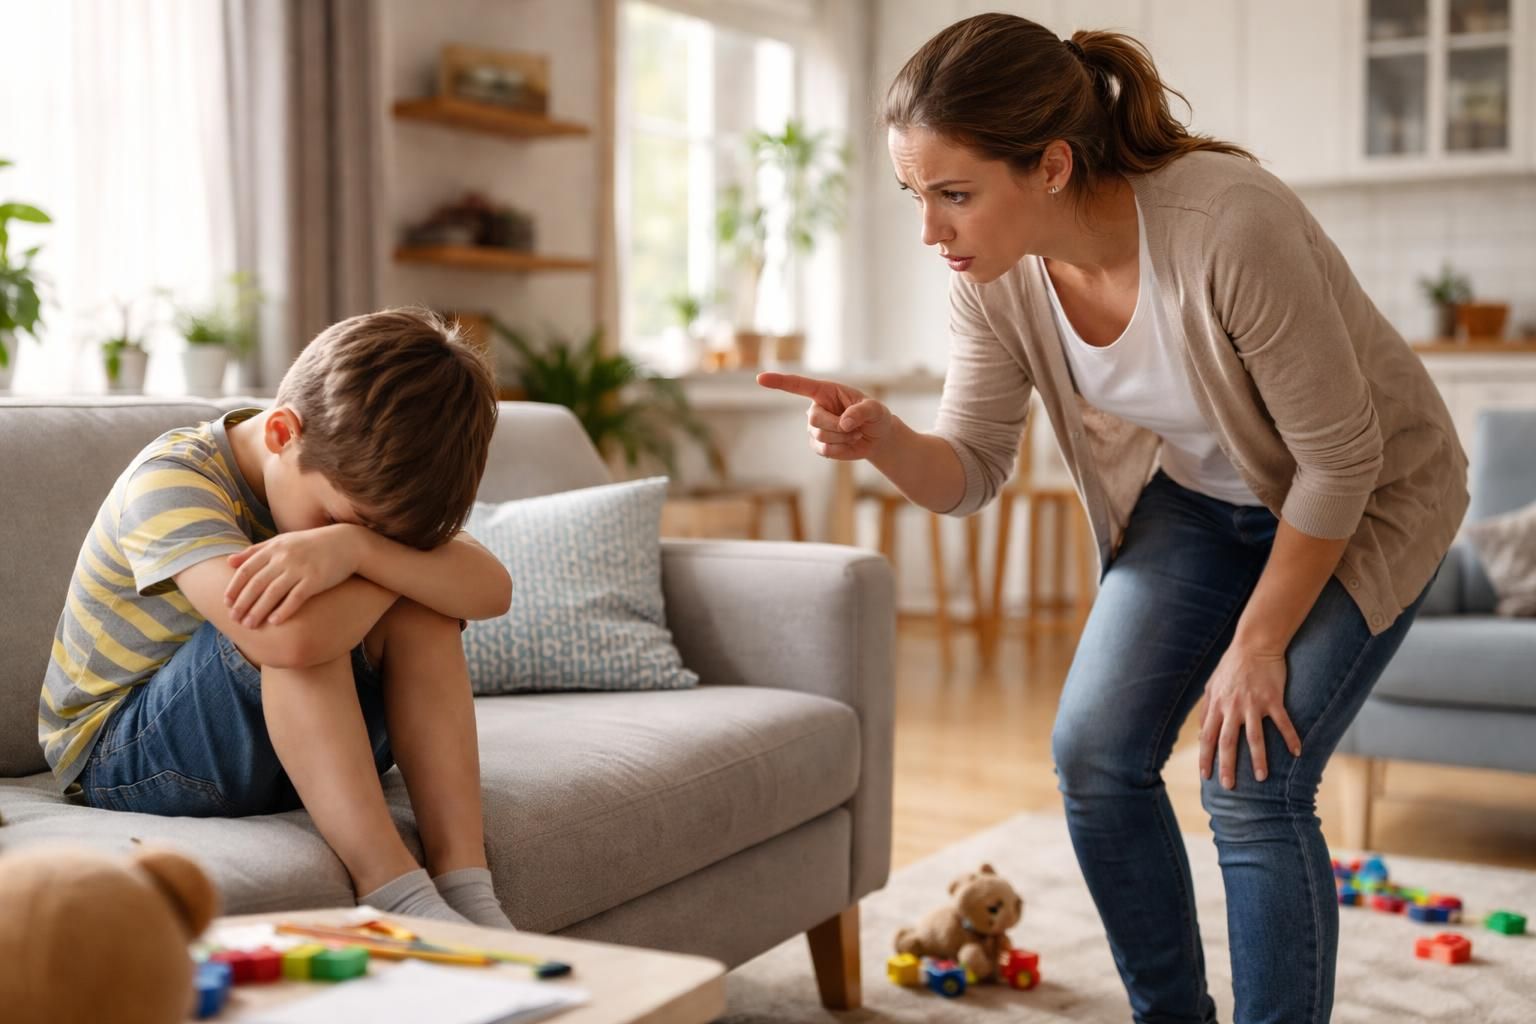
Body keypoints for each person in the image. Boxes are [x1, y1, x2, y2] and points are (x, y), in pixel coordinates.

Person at [760, 14, 1468, 1023]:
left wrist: (1258, 643)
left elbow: (1341, 458)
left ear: (1050, 165)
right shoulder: (994, 279)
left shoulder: (1228, 225)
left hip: (1367, 498)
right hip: (1204, 503)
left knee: (1249, 780)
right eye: (916, 195)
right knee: (1094, 754)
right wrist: (885, 440)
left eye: (954, 194)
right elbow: (969, 468)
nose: (931, 229)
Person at [40, 307, 517, 928]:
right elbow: (284, 641)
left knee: (422, 610)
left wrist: (358, 549)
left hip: (289, 745)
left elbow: (493, 591)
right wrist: (397, 567)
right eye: (341, 519)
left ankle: (467, 884)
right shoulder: (173, 479)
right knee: (300, 622)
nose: (351, 537)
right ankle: (394, 889)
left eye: (382, 534)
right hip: (123, 755)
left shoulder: (354, 502)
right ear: (281, 433)